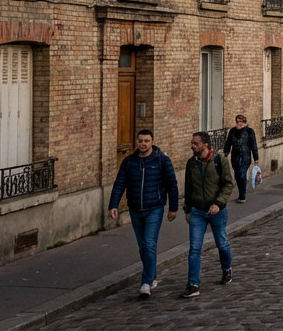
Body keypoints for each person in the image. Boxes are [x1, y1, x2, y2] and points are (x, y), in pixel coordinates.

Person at [108, 129, 179, 298]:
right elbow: (119, 183)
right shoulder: (129, 162)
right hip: (135, 209)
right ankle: (152, 275)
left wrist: (173, 208)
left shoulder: (161, 160)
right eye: (140, 141)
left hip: (154, 208)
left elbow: (172, 184)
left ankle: (146, 282)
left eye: (146, 141)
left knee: (149, 244)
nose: (143, 144)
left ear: (152, 142)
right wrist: (113, 205)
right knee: (143, 247)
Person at [180, 132, 235, 298]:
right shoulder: (191, 163)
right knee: (195, 248)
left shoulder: (219, 160)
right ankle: (193, 284)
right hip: (197, 211)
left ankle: (227, 269)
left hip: (217, 211)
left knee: (222, 244)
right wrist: (187, 209)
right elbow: (188, 188)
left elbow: (228, 184)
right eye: (192, 143)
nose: (192, 146)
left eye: (195, 143)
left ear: (205, 144)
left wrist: (218, 204)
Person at [222, 114, 258, 203]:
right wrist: (226, 152)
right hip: (235, 156)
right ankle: (241, 192)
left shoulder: (249, 131)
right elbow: (228, 142)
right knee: (237, 175)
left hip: (245, 156)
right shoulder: (232, 131)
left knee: (242, 174)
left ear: (244, 122)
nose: (239, 123)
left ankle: (243, 195)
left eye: (241, 121)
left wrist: (256, 157)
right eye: (238, 121)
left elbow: (253, 144)